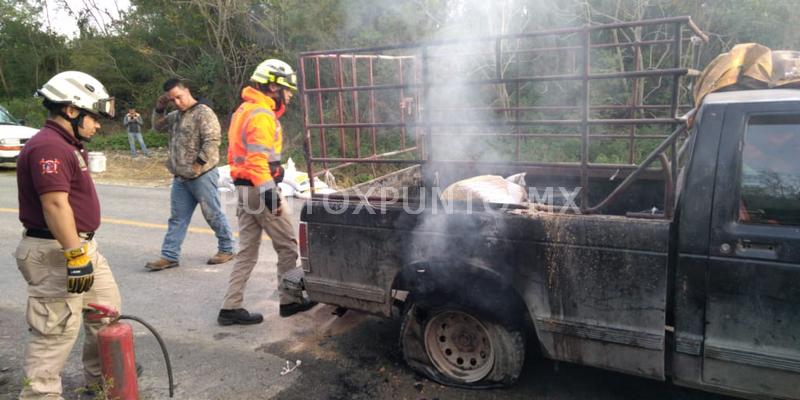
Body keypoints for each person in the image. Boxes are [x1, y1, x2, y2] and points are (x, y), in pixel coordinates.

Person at [15, 71, 121, 399]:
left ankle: (98, 384)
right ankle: (40, 395)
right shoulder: (49, 147)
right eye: (93, 117)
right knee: (55, 332)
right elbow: (55, 204)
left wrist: (83, 253)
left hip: (82, 247)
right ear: (71, 111)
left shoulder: (65, 144)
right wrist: (75, 255)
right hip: (58, 252)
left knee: (106, 312)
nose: (98, 124)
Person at [218, 59, 316, 325]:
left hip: (243, 189)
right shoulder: (261, 115)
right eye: (287, 88)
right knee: (287, 247)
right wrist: (271, 195)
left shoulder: (244, 110)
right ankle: (290, 301)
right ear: (273, 86)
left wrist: (277, 172)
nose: (290, 94)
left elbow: (241, 157)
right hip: (260, 191)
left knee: (247, 251)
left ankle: (230, 307)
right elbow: (257, 161)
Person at [145, 78, 235, 270]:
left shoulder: (203, 113)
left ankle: (227, 248)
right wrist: (160, 108)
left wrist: (198, 164)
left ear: (187, 91)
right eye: (172, 100)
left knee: (213, 214)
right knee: (177, 218)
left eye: (179, 97)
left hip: (202, 175)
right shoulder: (176, 115)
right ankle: (169, 256)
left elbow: (212, 140)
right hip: (180, 178)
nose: (177, 102)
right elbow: (157, 127)